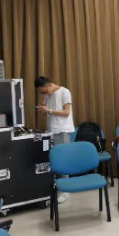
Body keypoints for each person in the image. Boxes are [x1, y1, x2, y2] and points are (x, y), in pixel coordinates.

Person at [35, 76, 76, 204]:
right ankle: (58, 188)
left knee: (63, 162)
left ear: (50, 85)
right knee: (55, 162)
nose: (44, 94)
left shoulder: (64, 92)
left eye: (44, 91)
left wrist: (50, 110)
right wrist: (43, 109)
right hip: (51, 131)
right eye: (42, 92)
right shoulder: (48, 95)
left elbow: (66, 112)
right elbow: (48, 112)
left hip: (62, 131)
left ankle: (65, 192)